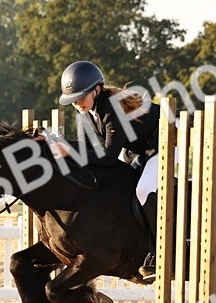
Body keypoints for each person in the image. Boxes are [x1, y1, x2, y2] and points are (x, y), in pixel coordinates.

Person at [52, 60, 161, 282]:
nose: (77, 104)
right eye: (73, 100)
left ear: (97, 90)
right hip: (139, 149)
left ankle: (158, 251)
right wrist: (51, 142)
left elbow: (109, 157)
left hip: (166, 141)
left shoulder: (111, 106)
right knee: (125, 187)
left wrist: (68, 151)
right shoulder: (87, 112)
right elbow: (85, 148)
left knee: (143, 190)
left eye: (80, 97)